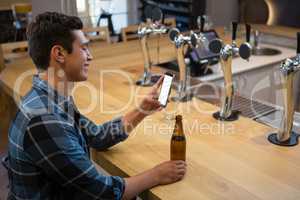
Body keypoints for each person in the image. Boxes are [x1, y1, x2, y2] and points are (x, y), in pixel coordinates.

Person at [7, 12, 186, 200]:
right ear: (59, 53)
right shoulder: (45, 119)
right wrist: (156, 174)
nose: (90, 56)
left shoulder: (52, 99)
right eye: (84, 48)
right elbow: (103, 192)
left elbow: (96, 136)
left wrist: (141, 111)